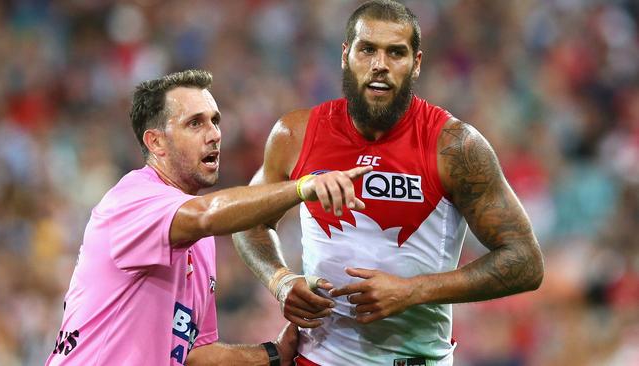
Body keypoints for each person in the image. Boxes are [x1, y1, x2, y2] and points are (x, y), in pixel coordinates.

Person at [232, 1, 545, 365]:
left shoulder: (455, 146)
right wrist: (280, 280)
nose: (379, 64)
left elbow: (525, 262)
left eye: (395, 52)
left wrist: (413, 291)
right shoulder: (295, 134)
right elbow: (247, 220)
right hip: (314, 359)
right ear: (346, 55)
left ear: (416, 63)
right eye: (368, 50)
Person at [45, 70, 371, 366]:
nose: (214, 134)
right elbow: (205, 215)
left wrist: (274, 354)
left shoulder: (200, 241)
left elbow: (193, 354)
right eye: (195, 123)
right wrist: (303, 186)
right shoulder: (131, 201)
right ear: (156, 142)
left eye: (215, 120)